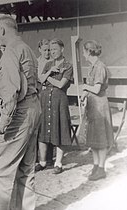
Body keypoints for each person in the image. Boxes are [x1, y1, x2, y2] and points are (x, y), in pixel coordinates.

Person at [0, 16, 41, 210]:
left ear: (3, 30)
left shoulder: (10, 52)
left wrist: (3, 121)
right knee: (27, 169)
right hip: (34, 108)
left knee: (0, 171)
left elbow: (11, 91)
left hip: (18, 113)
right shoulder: (27, 49)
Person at [37, 38, 73, 174]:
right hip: (45, 100)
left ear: (62, 49)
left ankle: (58, 163)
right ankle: (43, 161)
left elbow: (61, 84)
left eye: (55, 49)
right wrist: (49, 71)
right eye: (51, 50)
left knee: (59, 130)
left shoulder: (68, 65)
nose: (52, 52)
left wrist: (47, 78)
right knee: (43, 129)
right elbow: (40, 79)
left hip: (59, 101)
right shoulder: (49, 64)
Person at [81, 40, 114, 181]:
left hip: (100, 106)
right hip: (93, 106)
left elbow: (96, 88)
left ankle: (101, 168)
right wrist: (84, 95)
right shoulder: (93, 67)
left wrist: (84, 87)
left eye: (84, 51)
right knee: (93, 139)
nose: (83, 54)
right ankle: (95, 166)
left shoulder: (100, 67)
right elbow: (90, 87)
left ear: (89, 52)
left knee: (101, 139)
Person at [35, 39, 54, 167]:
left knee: (50, 124)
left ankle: (49, 157)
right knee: (39, 125)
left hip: (49, 95)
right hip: (38, 95)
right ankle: (39, 157)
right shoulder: (36, 62)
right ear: (40, 50)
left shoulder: (53, 62)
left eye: (49, 50)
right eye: (45, 50)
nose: (47, 52)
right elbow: (37, 79)